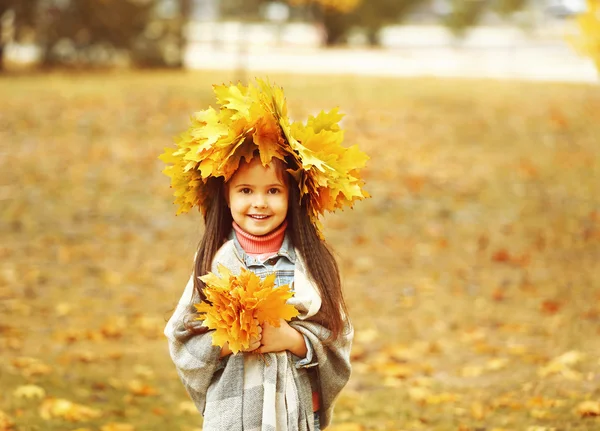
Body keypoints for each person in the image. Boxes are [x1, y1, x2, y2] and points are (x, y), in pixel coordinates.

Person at [160, 79, 369, 431]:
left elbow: (338, 336)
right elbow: (183, 337)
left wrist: (294, 340)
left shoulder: (309, 263)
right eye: (245, 190)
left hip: (292, 412)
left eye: (273, 190)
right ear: (225, 196)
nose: (259, 202)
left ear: (293, 196)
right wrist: (230, 341)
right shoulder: (215, 262)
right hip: (233, 414)